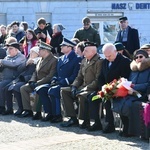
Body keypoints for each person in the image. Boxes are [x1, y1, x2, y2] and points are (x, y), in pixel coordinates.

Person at [35, 38, 81, 122]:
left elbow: (75, 75)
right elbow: (56, 73)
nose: (61, 47)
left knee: (53, 90)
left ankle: (58, 115)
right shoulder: (61, 58)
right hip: (59, 83)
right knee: (41, 89)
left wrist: (64, 81)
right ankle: (50, 113)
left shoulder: (76, 58)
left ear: (69, 47)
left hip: (68, 84)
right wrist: (54, 79)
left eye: (63, 46)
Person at [88, 43, 131, 132]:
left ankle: (110, 124)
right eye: (106, 56)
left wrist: (111, 89)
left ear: (115, 51)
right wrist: (102, 87)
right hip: (106, 88)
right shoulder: (105, 61)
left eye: (109, 56)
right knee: (92, 97)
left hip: (119, 89)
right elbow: (101, 77)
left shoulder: (125, 61)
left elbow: (124, 78)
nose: (107, 58)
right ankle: (97, 122)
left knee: (107, 100)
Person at [60, 41, 103, 128]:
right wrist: (74, 86)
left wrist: (84, 89)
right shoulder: (84, 60)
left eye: (86, 51)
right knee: (64, 91)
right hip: (82, 86)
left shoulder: (99, 62)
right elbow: (79, 76)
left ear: (93, 52)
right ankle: (72, 117)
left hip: (92, 88)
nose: (83, 53)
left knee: (81, 95)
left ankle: (84, 120)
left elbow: (98, 80)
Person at [112, 49, 150, 137]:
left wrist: (134, 87)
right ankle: (126, 125)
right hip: (130, 92)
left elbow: (148, 84)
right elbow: (129, 80)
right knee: (119, 100)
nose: (138, 59)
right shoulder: (133, 69)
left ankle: (129, 129)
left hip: (142, 94)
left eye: (141, 57)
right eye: (136, 57)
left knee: (128, 104)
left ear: (146, 57)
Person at [20, 41, 57, 118]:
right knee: (23, 88)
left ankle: (37, 111)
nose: (38, 51)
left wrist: (38, 83)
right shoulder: (40, 59)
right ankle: (28, 110)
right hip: (36, 82)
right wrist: (32, 81)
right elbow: (35, 72)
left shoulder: (54, 60)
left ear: (45, 51)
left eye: (40, 49)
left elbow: (50, 76)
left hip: (46, 83)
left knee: (38, 89)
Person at [3, 46, 40, 115]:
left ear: (37, 53)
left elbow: (36, 74)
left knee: (16, 88)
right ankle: (9, 108)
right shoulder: (28, 59)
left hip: (29, 80)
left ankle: (21, 108)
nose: (30, 53)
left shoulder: (38, 61)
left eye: (33, 52)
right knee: (7, 88)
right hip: (20, 79)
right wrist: (26, 64)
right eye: (30, 51)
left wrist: (26, 78)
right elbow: (19, 69)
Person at [0, 41, 26, 114]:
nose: (9, 50)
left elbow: (14, 64)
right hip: (5, 78)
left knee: (1, 86)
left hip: (15, 79)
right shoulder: (7, 57)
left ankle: (2, 107)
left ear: (16, 50)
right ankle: (8, 108)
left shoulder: (21, 57)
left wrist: (2, 61)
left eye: (11, 48)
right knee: (3, 87)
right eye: (8, 49)